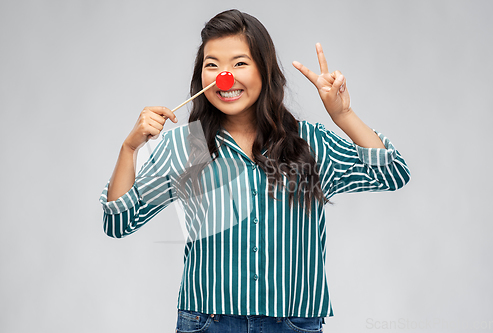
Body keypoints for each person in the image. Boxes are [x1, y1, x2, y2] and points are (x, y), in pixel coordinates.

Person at [99, 9, 410, 333]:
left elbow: (392, 173)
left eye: (239, 63)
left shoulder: (309, 143)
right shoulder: (186, 144)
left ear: (265, 70)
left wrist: (344, 115)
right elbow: (118, 222)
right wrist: (129, 149)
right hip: (209, 322)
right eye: (212, 65)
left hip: (292, 322)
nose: (225, 76)